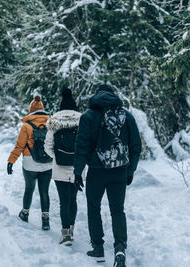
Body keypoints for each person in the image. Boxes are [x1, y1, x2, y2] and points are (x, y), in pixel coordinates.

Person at [73, 84, 141, 266]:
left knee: (93, 208)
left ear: (96, 96)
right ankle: (120, 248)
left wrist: (78, 171)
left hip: (96, 171)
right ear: (114, 95)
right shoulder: (127, 116)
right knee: (117, 210)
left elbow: (81, 147)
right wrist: (130, 170)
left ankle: (98, 248)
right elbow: (136, 147)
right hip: (119, 171)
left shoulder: (87, 117)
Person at [44, 88, 83, 246]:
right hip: (77, 169)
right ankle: (71, 229)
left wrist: (57, 157)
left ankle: (65, 233)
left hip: (59, 168)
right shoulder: (82, 120)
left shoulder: (54, 122)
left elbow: (47, 146)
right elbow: (86, 145)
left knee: (63, 201)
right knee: (73, 199)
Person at [7, 95, 52, 230]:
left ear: (30, 111)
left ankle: (25, 213)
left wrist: (11, 161)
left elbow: (19, 146)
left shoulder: (26, 126)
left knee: (29, 189)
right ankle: (45, 220)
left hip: (30, 163)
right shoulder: (51, 124)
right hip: (48, 163)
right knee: (44, 191)